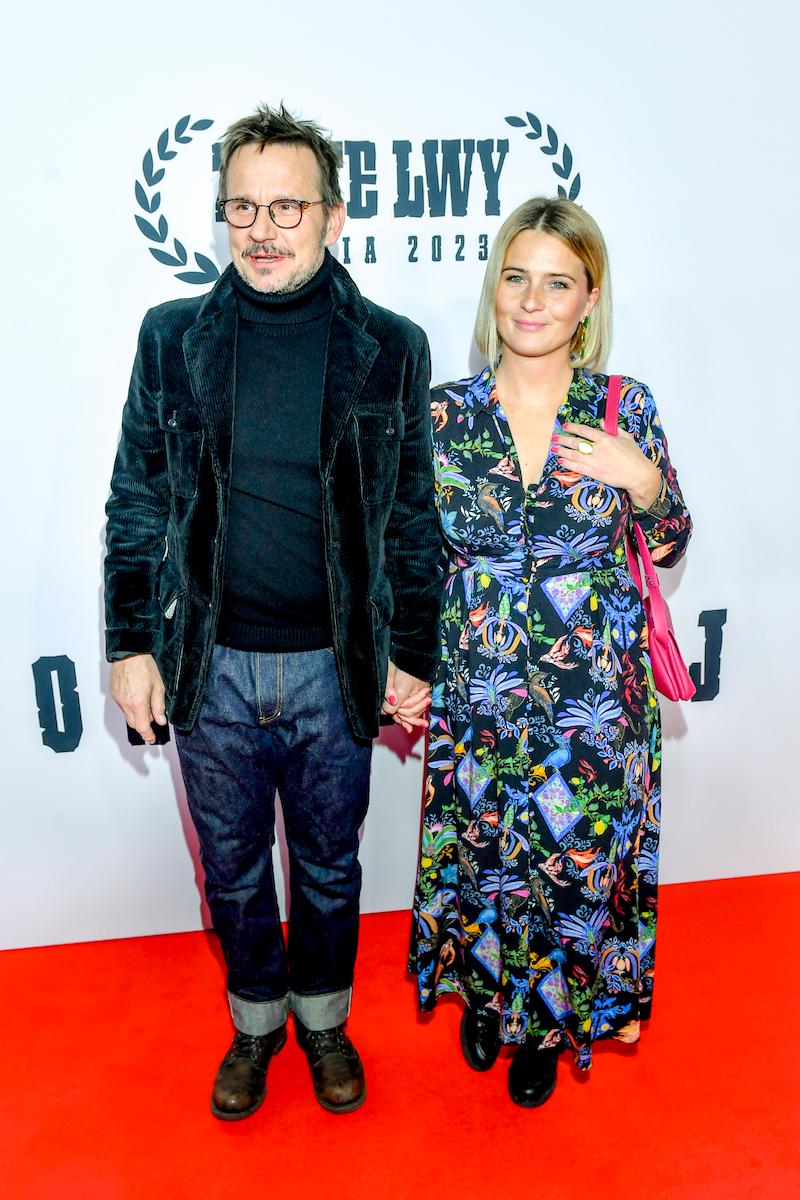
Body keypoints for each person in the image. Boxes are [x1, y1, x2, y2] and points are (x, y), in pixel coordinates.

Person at [105, 104, 442, 1119]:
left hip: (334, 669)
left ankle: (324, 1020)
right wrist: (128, 644)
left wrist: (413, 653)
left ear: (333, 216)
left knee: (331, 868)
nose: (261, 229)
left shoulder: (391, 347)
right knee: (234, 870)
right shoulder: (172, 339)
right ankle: (255, 1022)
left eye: (286, 207)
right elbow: (136, 500)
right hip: (207, 667)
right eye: (242, 207)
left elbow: (411, 517)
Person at [408, 196, 692, 1107]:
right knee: (484, 854)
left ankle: (544, 1026)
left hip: (593, 700)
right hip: (477, 692)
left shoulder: (623, 406)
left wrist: (643, 481)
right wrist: (404, 665)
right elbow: (412, 557)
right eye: (516, 278)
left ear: (588, 298)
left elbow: (671, 540)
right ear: (495, 289)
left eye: (558, 283)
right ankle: (487, 999)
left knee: (572, 867)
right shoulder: (441, 415)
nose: (532, 301)